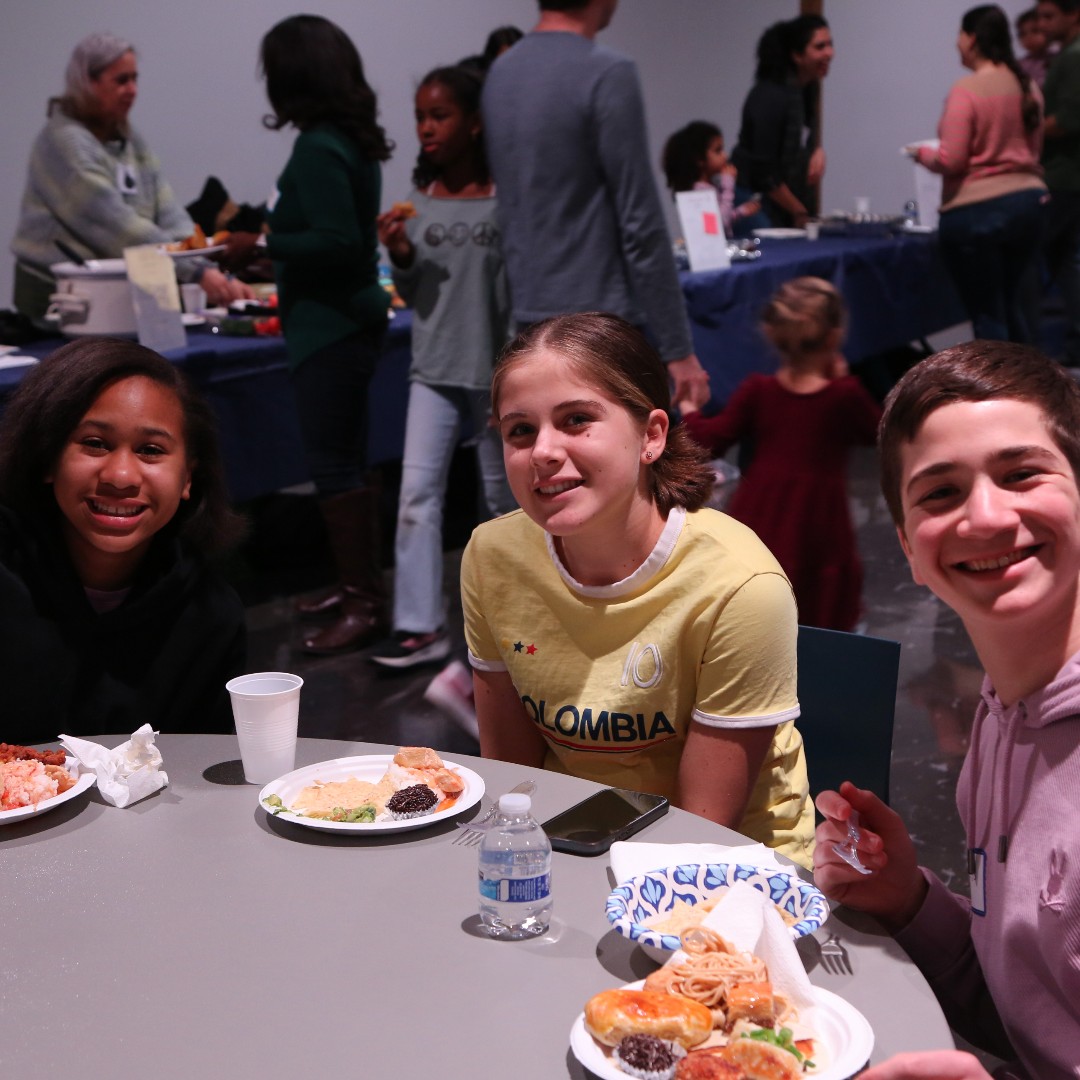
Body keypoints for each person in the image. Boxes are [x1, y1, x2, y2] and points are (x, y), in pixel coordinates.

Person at [461, 313, 815, 868]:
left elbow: (702, 835)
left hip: (729, 864)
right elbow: (513, 783)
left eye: (576, 420)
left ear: (652, 435)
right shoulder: (491, 556)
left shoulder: (741, 586)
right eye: (520, 430)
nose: (543, 451)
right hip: (569, 841)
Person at [815, 341, 1080, 1078]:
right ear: (907, 545)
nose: (987, 517)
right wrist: (908, 903)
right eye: (941, 493)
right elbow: (1031, 1000)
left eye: (1022, 473)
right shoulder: (1001, 712)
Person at [224, 15, 394, 655]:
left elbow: (337, 241)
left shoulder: (320, 147)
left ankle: (362, 602)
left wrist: (261, 242)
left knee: (333, 464)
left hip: (329, 329)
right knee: (348, 461)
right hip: (349, 318)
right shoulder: (345, 140)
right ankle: (359, 587)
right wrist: (273, 259)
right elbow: (338, 245)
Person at [0, 337, 247, 744]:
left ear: (187, 477)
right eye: (95, 443)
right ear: (47, 457)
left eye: (150, 450)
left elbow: (202, 771)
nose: (120, 476)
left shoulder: (211, 614)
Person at [481, 0, 710, 408]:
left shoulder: (502, 73)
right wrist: (678, 348)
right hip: (602, 321)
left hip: (528, 313)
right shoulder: (607, 71)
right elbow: (640, 219)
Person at [369, 65, 514, 670]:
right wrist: (401, 255)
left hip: (492, 373)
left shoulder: (506, 200)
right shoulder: (419, 203)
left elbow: (510, 294)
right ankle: (420, 626)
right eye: (421, 116)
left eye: (440, 115)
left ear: (474, 123)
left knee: (501, 502)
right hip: (432, 368)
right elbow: (413, 286)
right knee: (416, 497)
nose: (427, 128)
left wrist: (511, 375)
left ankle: (513, 629)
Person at [679, 278, 880, 632]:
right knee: (816, 605)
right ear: (834, 338)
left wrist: (690, 408)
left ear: (772, 334)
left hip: (761, 511)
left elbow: (709, 440)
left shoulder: (758, 391)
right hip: (819, 519)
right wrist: (844, 379)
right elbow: (879, 432)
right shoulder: (843, 396)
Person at [10, 32, 249, 326]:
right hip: (61, 297)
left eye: (135, 79)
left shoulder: (129, 138)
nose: (133, 89)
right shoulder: (64, 143)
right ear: (88, 82)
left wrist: (201, 261)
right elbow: (116, 225)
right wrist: (196, 272)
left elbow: (169, 211)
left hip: (116, 293)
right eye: (121, 81)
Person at [906, 5, 1046, 345]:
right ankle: (1029, 387)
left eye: (959, 35)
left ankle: (995, 389)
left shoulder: (967, 89)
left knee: (988, 315)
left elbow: (952, 159)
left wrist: (920, 153)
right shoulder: (1028, 87)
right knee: (1012, 305)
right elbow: (1035, 150)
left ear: (971, 39)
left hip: (977, 211)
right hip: (1029, 203)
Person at [730, 14, 834, 228]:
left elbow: (805, 136)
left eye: (830, 45)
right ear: (797, 55)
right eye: (820, 47)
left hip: (784, 197)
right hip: (751, 198)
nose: (829, 53)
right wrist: (800, 211)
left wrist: (817, 151)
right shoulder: (770, 96)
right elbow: (764, 173)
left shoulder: (808, 88)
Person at [1038, 0, 1080, 364]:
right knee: (1068, 262)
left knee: (1035, 262)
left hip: (1064, 175)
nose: (1042, 25)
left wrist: (1025, 129)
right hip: (1068, 175)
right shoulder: (1065, 54)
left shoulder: (1072, 57)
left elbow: (1067, 119)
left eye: (1049, 16)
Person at [660, 120, 763, 239]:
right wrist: (728, 187)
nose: (725, 156)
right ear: (699, 159)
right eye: (718, 151)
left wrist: (740, 211)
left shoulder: (709, 186)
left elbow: (717, 219)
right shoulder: (698, 193)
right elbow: (718, 225)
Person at [1017, 6, 1054, 86]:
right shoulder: (1021, 65)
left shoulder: (1055, 59)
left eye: (1035, 31)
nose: (1028, 37)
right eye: (1022, 34)